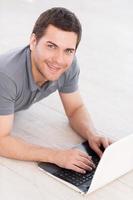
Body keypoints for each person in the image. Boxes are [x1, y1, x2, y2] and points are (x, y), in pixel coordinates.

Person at [0, 7, 112, 174]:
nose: (59, 60)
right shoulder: (7, 76)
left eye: (68, 50)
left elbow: (75, 109)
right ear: (33, 41)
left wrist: (92, 135)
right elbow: (1, 140)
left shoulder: (69, 66)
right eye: (51, 46)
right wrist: (55, 155)